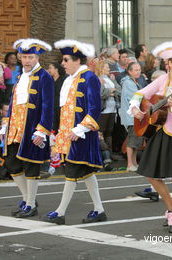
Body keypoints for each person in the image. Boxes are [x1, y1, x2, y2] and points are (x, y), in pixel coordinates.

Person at [129, 41, 172, 233]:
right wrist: (135, 107)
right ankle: (170, 207)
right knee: (150, 173)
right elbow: (140, 93)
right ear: (168, 63)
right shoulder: (163, 79)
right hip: (160, 131)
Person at [42, 39, 106, 225]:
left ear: (78, 61)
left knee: (71, 172)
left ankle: (60, 212)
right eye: (63, 60)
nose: (63, 63)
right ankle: (99, 209)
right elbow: (63, 110)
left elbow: (94, 109)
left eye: (66, 59)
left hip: (81, 135)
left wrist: (80, 129)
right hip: (68, 135)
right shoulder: (68, 80)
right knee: (85, 173)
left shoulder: (89, 78)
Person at [0, 38, 54, 218]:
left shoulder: (44, 77)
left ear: (37, 57)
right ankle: (27, 198)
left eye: (30, 57)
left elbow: (48, 105)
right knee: (12, 164)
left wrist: (42, 130)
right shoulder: (20, 75)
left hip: (32, 127)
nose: (27, 60)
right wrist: (5, 125)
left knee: (31, 165)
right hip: (14, 126)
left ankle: (30, 204)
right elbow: (13, 103)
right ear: (20, 58)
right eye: (24, 57)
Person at [119, 62, 144, 172]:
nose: (138, 72)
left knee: (135, 141)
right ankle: (130, 163)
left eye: (139, 70)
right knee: (131, 141)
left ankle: (134, 163)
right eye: (135, 70)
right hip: (131, 116)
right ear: (129, 71)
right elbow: (134, 98)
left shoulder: (133, 82)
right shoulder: (128, 83)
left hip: (134, 116)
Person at [95, 60, 121, 156]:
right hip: (103, 110)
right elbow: (101, 94)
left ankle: (110, 153)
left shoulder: (110, 79)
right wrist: (110, 91)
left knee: (109, 132)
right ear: (101, 68)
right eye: (107, 67)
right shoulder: (98, 79)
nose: (109, 69)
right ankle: (103, 154)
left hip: (113, 109)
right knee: (101, 132)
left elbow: (119, 90)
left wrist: (113, 84)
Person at [47, 62, 67, 134]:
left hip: (61, 105)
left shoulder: (64, 79)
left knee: (61, 122)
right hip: (52, 105)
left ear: (56, 69)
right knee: (53, 123)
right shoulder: (49, 80)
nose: (48, 70)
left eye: (50, 68)